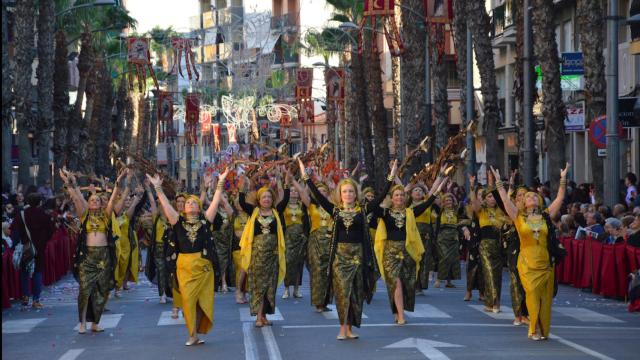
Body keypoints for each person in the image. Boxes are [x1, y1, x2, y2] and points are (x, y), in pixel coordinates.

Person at [298, 158, 395, 340]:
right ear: (339, 194)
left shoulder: (363, 210)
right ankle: (342, 329)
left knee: (355, 295)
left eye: (351, 191)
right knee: (342, 293)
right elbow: (317, 196)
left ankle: (350, 329)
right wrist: (305, 175)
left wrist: (391, 177)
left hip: (358, 257)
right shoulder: (334, 210)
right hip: (339, 259)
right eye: (345, 191)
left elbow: (381, 196)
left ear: (355, 194)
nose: (348, 194)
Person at [147, 168, 229, 346]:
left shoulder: (205, 220)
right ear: (183, 207)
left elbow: (215, 201)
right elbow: (166, 206)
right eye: (188, 203)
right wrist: (158, 188)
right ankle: (191, 334)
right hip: (184, 266)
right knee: (188, 300)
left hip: (203, 267)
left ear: (199, 207)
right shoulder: (177, 221)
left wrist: (220, 182)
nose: (191, 205)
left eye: (194, 203)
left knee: (202, 302)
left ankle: (195, 333)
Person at [490, 163, 568, 341]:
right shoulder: (518, 217)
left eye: (534, 196)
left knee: (544, 299)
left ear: (539, 201)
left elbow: (559, 199)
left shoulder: (546, 215)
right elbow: (505, 201)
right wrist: (499, 183)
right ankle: (533, 329)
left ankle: (540, 327)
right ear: (524, 203)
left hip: (545, 262)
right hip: (526, 262)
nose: (531, 197)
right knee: (531, 293)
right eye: (528, 196)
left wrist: (563, 179)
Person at [60, 168, 124, 334]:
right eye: (92, 200)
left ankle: (95, 322)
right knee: (84, 292)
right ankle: (82, 323)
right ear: (89, 203)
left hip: (103, 258)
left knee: (102, 291)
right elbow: (77, 198)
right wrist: (70, 184)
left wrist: (118, 182)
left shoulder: (106, 216)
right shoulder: (84, 215)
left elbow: (111, 201)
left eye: (97, 200)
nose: (95, 202)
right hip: (87, 258)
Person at [373, 180, 443, 325]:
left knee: (406, 284)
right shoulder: (385, 213)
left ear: (405, 198)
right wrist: (389, 179)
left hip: (407, 252)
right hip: (390, 254)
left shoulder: (410, 212)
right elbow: (374, 204)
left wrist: (436, 191)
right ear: (391, 198)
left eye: (402, 195)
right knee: (396, 283)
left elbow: (426, 204)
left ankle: (397, 310)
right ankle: (401, 315)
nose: (399, 197)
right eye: (396, 195)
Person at [238, 172, 288, 328]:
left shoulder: (276, 212)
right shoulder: (253, 211)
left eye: (269, 197)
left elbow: (285, 200)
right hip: (257, 256)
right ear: (259, 200)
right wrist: (243, 185)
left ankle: (264, 316)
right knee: (259, 287)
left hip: (272, 257)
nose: (266, 199)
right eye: (263, 197)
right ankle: (259, 317)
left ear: (272, 199)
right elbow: (241, 201)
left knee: (269, 287)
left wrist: (285, 182)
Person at [291, 175, 334, 313]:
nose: (321, 193)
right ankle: (318, 303)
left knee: (330, 272)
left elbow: (337, 191)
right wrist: (292, 180)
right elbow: (303, 193)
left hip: (330, 241)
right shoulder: (311, 205)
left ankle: (326, 301)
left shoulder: (332, 207)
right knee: (317, 272)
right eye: (319, 191)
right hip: (315, 241)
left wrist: (330, 182)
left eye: (324, 191)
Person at [468, 176, 508, 313]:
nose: (492, 199)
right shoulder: (481, 211)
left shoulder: (501, 210)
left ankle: (493, 302)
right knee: (489, 274)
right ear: (485, 198)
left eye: (494, 197)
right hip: (485, 246)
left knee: (497, 275)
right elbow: (474, 202)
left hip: (498, 246)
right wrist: (472, 187)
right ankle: (494, 303)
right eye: (489, 197)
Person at [10, 192, 55, 309]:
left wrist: (21, 241)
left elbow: (13, 230)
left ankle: (25, 296)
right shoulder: (44, 215)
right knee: (37, 271)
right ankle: (36, 299)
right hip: (39, 248)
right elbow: (51, 230)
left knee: (25, 271)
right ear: (40, 202)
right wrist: (43, 240)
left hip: (26, 246)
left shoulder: (22, 215)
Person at [432, 187, 470, 289]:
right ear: (443, 202)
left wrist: (464, 227)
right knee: (444, 258)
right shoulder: (440, 211)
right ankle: (439, 279)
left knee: (453, 259)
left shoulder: (457, 211)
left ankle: (449, 281)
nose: (449, 202)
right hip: (442, 238)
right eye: (446, 200)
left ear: (453, 201)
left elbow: (464, 220)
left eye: (450, 200)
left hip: (454, 238)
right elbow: (431, 199)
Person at [281, 173, 307, 299]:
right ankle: (286, 288)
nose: (293, 193)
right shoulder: (284, 206)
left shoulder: (302, 206)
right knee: (288, 262)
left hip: (300, 238)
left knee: (298, 264)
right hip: (288, 238)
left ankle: (297, 289)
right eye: (291, 191)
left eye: (295, 191)